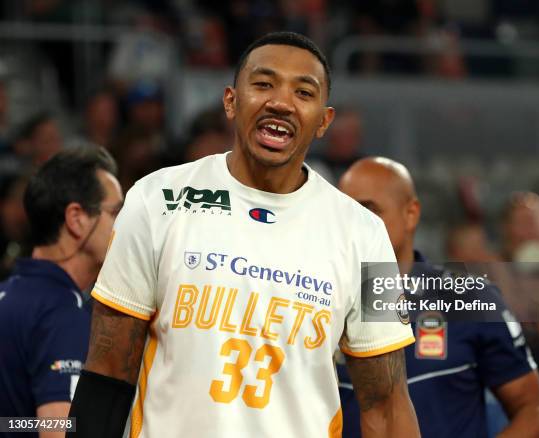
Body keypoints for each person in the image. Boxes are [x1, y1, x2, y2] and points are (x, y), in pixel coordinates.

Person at [68, 32, 420, 438]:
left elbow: (387, 403)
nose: (281, 102)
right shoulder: (157, 198)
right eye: (264, 84)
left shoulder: (367, 233)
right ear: (231, 101)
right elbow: (107, 371)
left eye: (303, 92)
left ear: (323, 121)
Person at [337, 157, 539, 438]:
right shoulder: (318, 302)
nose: (354, 225)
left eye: (368, 211)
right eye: (345, 214)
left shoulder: (469, 299)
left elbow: (534, 412)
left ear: (411, 213)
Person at [0, 147, 123, 437]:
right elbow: (56, 429)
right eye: (116, 212)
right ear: (76, 218)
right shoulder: (61, 316)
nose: (125, 225)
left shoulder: (8, 294)